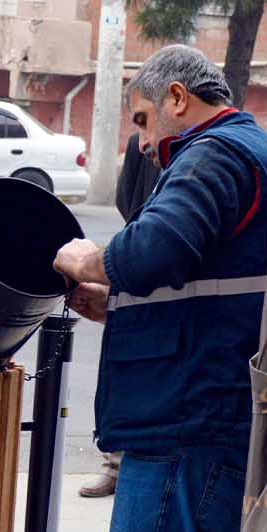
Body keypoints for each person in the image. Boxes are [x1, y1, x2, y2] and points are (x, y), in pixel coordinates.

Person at [52, 45, 267, 532]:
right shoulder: (257, 154)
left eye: (146, 120)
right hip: (220, 420)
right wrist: (117, 299)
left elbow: (160, 246)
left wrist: (92, 260)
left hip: (185, 424)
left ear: (178, 98)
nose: (145, 142)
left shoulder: (214, 154)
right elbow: (201, 278)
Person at [82, 133, 162, 500]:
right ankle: (115, 465)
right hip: (137, 257)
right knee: (123, 370)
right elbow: (125, 196)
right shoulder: (140, 143)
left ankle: (135, 465)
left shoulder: (204, 147)